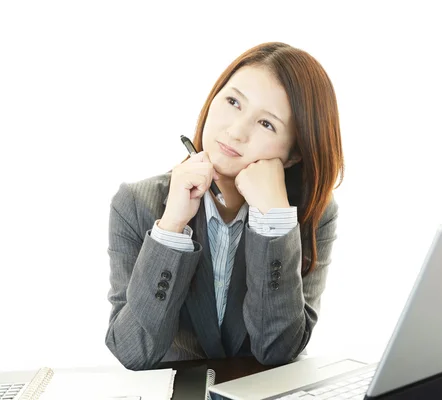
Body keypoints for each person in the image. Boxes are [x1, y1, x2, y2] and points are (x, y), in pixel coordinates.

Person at [105, 41, 344, 371]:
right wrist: (171, 228)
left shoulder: (311, 214)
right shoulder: (135, 204)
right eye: (233, 102)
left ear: (294, 154)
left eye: (266, 124)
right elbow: (133, 351)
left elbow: (278, 349)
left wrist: (274, 223)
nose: (235, 131)